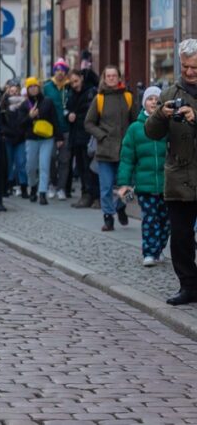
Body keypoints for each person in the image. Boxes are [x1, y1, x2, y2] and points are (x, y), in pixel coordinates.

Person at [144, 39, 197, 305]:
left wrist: (194, 117)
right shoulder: (170, 93)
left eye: (195, 68)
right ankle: (188, 286)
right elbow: (151, 133)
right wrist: (160, 115)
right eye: (186, 67)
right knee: (181, 238)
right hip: (179, 177)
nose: (189, 72)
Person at [116, 86, 168, 267]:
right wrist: (124, 183)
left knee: (166, 222)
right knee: (150, 219)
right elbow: (127, 158)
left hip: (167, 184)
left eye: (157, 98)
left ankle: (159, 247)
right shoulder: (135, 129)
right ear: (144, 102)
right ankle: (149, 252)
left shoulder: (168, 124)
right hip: (145, 185)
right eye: (150, 98)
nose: (154, 101)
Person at [84, 65, 137, 231]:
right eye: (109, 76)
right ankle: (108, 217)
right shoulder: (99, 99)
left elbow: (135, 122)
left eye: (115, 75)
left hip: (124, 150)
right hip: (105, 150)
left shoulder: (128, 97)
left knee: (126, 185)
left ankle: (120, 207)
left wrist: (131, 139)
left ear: (119, 78)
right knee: (106, 187)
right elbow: (88, 123)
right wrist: (102, 135)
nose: (112, 78)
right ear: (104, 78)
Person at [66, 69, 100, 208]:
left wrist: (75, 116)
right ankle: (86, 194)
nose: (74, 84)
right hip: (76, 136)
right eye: (72, 82)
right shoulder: (71, 94)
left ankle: (95, 196)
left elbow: (91, 114)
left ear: (81, 78)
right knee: (81, 168)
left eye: (76, 81)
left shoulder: (90, 92)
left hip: (87, 136)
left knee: (91, 168)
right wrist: (68, 115)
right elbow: (67, 110)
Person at [22, 77, 58, 204]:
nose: (33, 89)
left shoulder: (47, 101)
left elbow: (54, 119)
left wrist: (59, 137)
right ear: (27, 90)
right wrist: (29, 117)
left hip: (47, 138)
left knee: (44, 165)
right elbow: (20, 124)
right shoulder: (25, 104)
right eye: (30, 87)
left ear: (39, 87)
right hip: (31, 139)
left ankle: (42, 193)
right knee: (30, 167)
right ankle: (33, 187)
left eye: (35, 86)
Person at [43, 59, 71, 200]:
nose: (60, 73)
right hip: (50, 129)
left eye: (63, 70)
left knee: (64, 160)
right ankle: (52, 184)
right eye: (58, 70)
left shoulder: (69, 87)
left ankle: (61, 188)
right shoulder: (47, 87)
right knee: (51, 157)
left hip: (66, 128)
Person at [1, 81, 29, 197]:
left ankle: (23, 187)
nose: (15, 93)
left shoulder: (25, 104)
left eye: (16, 91)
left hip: (20, 137)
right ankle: (9, 186)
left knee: (21, 163)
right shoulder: (4, 105)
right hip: (8, 137)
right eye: (12, 91)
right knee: (9, 163)